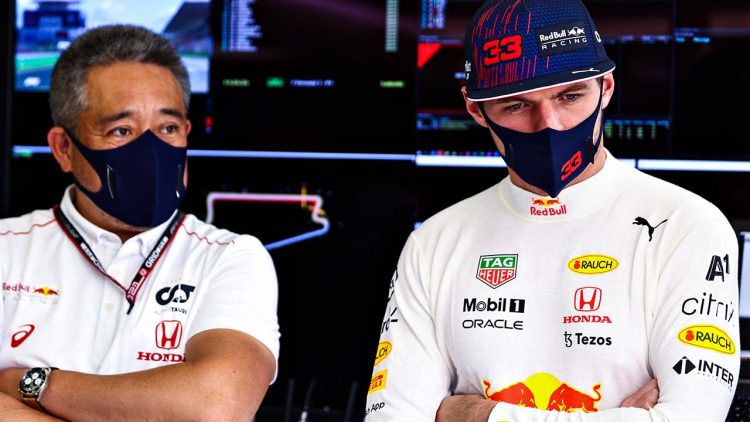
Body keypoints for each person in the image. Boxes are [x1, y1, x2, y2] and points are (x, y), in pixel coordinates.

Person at [365, 0, 739, 420]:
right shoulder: (433, 243)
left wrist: (469, 413)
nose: (550, 125)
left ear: (606, 87)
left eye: (570, 96)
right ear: (475, 109)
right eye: (517, 105)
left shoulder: (687, 227)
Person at [0, 25, 279, 420]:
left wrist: (32, 384)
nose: (150, 150)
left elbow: (216, 404)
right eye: (121, 130)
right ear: (63, 149)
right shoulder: (6, 249)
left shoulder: (230, 258)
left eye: (168, 128)